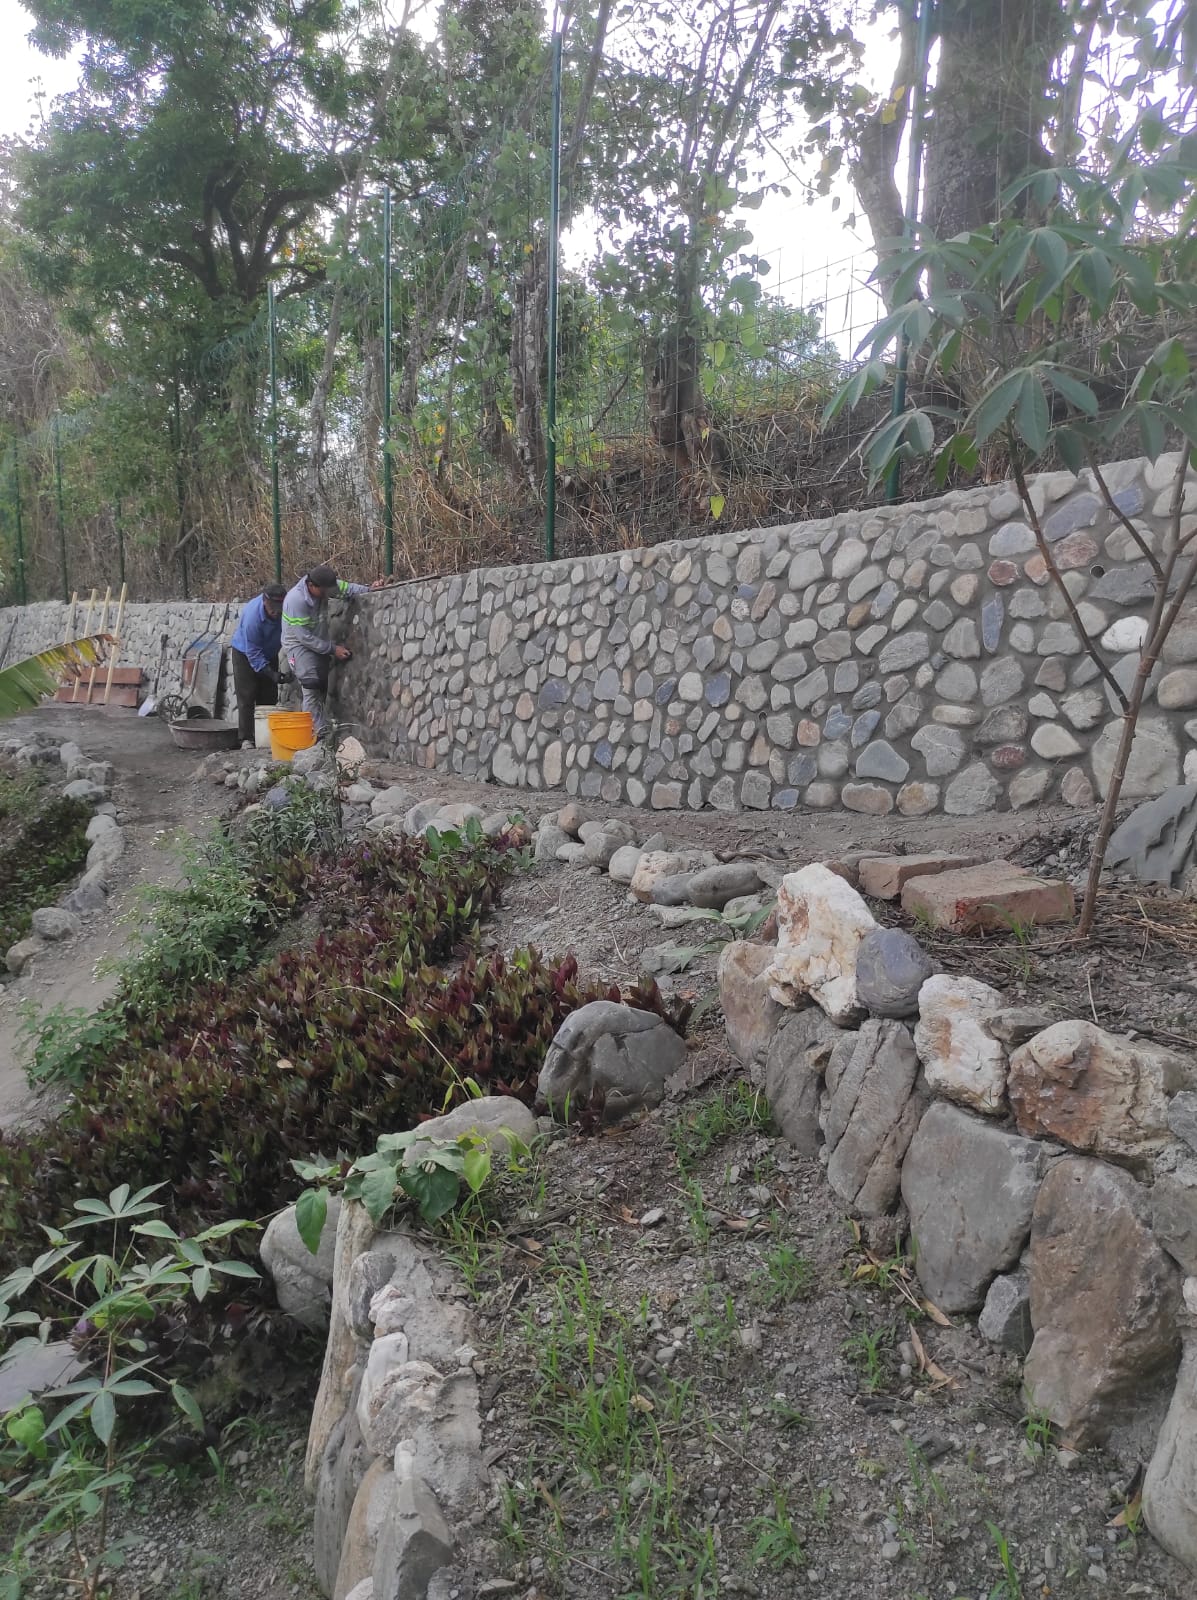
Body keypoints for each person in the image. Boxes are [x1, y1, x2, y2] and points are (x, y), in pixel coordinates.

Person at [281, 563, 384, 739]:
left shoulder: (326, 586)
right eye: (324, 592)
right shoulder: (295, 600)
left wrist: (369, 589)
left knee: (320, 687)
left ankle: (317, 730)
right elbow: (303, 637)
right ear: (312, 586)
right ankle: (317, 736)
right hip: (298, 646)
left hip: (318, 642)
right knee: (311, 685)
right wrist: (332, 649)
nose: (328, 595)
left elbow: (348, 589)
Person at [230, 582, 286, 747]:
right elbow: (253, 654)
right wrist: (271, 673)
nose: (276, 612)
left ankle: (266, 736)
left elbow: (293, 638)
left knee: (269, 695)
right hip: (245, 653)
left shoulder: (287, 611)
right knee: (247, 694)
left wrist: (292, 664)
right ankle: (246, 738)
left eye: (279, 607)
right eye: (272, 608)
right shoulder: (252, 618)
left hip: (270, 651)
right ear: (264, 601)